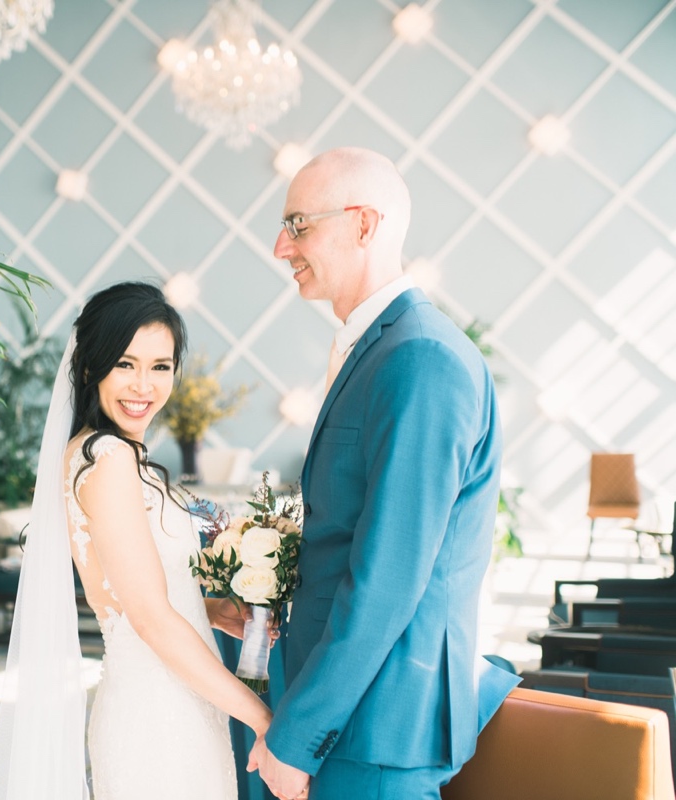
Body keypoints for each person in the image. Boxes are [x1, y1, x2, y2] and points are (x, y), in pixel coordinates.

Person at [250, 147, 520, 800]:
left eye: (298, 225)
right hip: (348, 715)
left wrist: (299, 735)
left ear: (364, 225)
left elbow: (391, 574)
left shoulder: (420, 357)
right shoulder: (382, 347)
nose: (282, 247)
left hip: (374, 728)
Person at [0, 281, 272, 799]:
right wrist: (263, 720)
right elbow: (149, 618)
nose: (144, 385)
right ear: (90, 367)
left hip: (173, 699)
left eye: (160, 366)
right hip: (157, 715)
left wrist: (211, 609)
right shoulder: (110, 460)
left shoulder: (109, 457)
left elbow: (127, 588)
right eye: (125, 363)